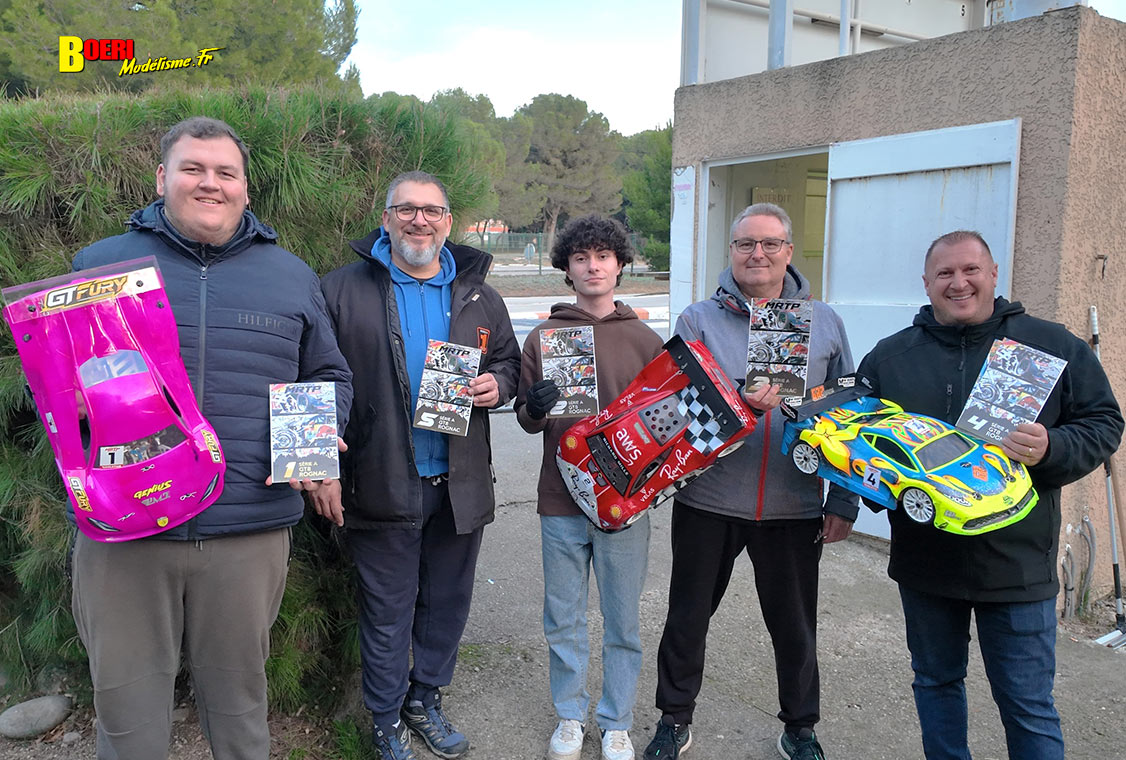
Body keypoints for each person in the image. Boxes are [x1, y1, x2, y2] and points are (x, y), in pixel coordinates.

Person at [70, 116, 353, 759]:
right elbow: (54, 383)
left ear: (245, 188)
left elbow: (326, 374)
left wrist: (314, 445)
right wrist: (76, 403)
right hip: (124, 534)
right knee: (126, 718)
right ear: (161, 177)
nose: (210, 183)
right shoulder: (100, 266)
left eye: (226, 173)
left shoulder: (290, 275)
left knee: (241, 713)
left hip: (247, 529)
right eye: (193, 168)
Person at [856, 230, 1123, 760]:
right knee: (935, 683)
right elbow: (858, 441)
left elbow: (1104, 422)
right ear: (926, 283)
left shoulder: (1050, 345)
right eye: (945, 273)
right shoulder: (890, 357)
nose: (959, 283)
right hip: (926, 562)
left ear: (994, 274)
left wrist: (1053, 446)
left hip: (1017, 564)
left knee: (1027, 704)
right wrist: (872, 488)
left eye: (970, 270)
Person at [318, 171, 520, 760]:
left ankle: (424, 698)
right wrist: (320, 467)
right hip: (379, 483)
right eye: (406, 209)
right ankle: (385, 719)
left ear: (448, 222)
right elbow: (311, 378)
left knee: (446, 604)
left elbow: (508, 363)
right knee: (387, 613)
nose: (419, 220)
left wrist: (497, 384)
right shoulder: (340, 290)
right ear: (386, 220)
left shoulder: (479, 296)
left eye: (431, 210)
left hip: (459, 485)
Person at [643, 203, 856, 760]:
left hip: (793, 502)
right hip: (709, 498)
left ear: (789, 251)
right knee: (687, 617)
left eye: (769, 243)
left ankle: (800, 728)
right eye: (745, 244)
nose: (756, 254)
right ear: (732, 251)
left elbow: (850, 416)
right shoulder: (698, 319)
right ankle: (673, 718)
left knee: (795, 627)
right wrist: (739, 403)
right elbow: (675, 406)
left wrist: (844, 499)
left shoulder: (825, 322)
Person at [514, 215, 665, 760]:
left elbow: (667, 424)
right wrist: (534, 407)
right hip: (561, 498)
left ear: (620, 265)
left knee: (623, 618)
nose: (593, 266)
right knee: (564, 617)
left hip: (626, 503)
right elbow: (526, 418)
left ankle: (616, 720)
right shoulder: (546, 337)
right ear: (568, 268)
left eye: (603, 256)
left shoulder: (646, 340)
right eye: (581, 258)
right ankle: (570, 715)